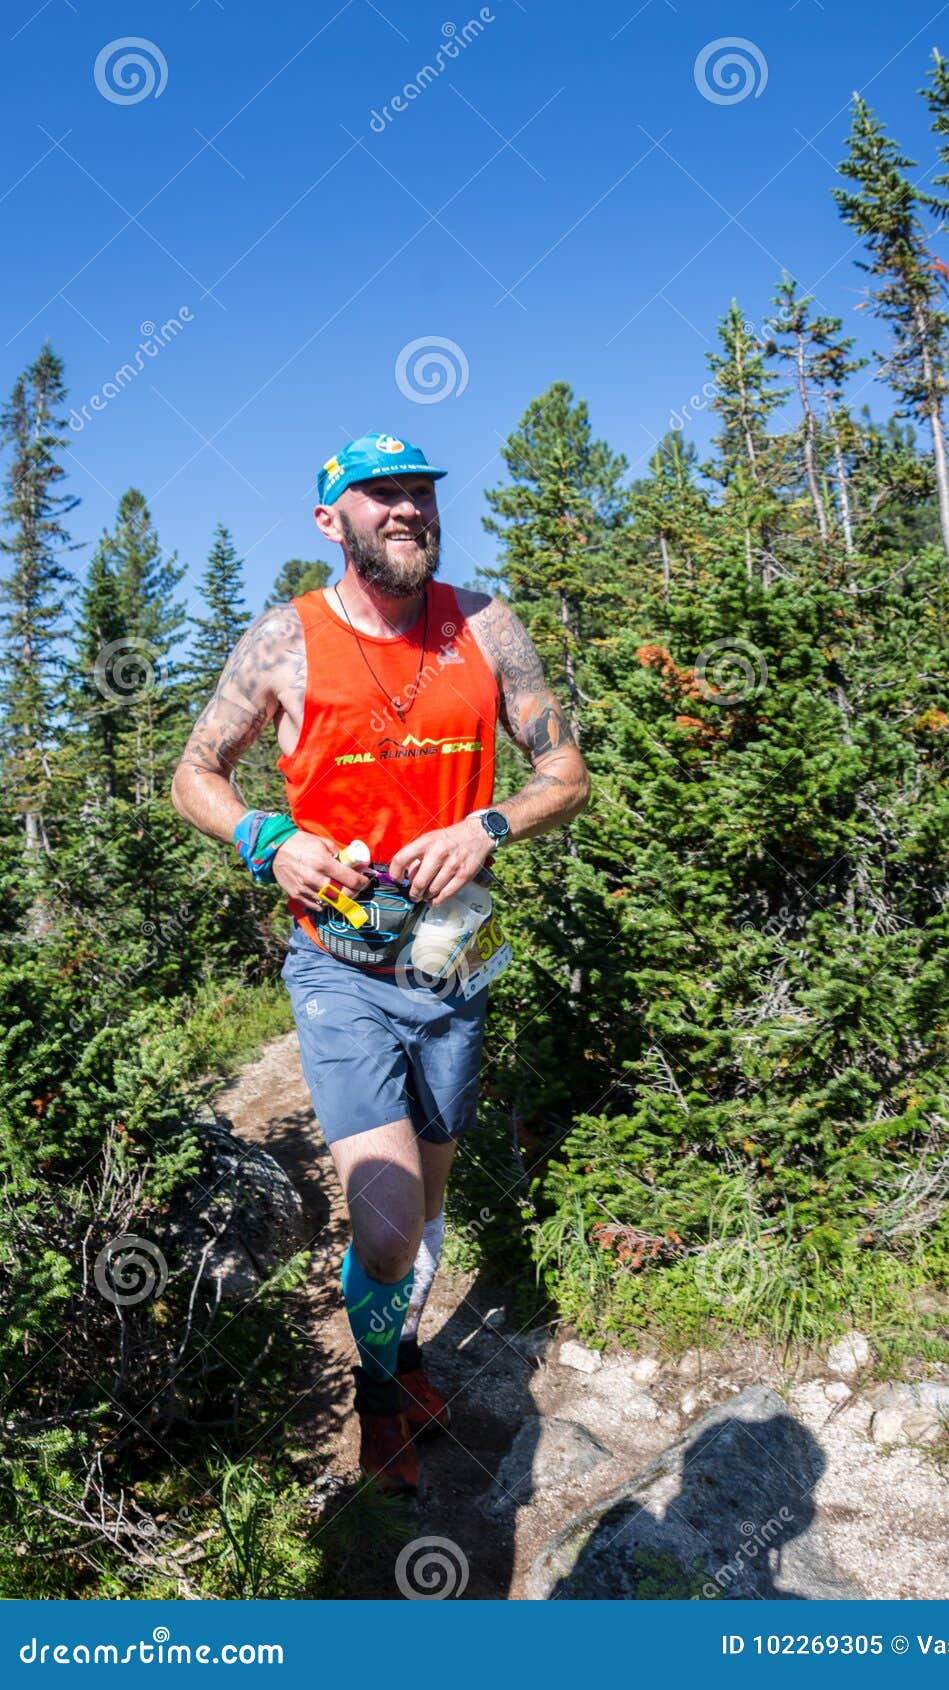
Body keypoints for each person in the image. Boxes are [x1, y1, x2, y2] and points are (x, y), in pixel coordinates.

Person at [171, 432, 589, 1493]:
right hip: (338, 963)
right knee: (389, 1214)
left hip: (457, 954)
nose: (406, 510)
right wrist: (268, 838)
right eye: (380, 495)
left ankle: (400, 1348)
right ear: (331, 520)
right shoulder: (284, 641)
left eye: (419, 493)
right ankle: (382, 1398)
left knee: (432, 1196)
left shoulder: (484, 625)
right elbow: (194, 774)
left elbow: (567, 773)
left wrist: (489, 824)